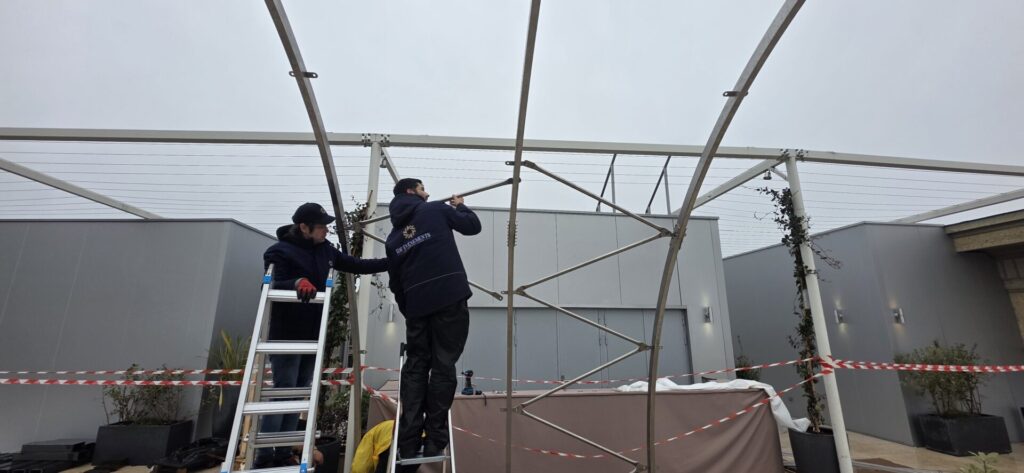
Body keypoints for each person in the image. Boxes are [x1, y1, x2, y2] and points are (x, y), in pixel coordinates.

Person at [257, 202, 389, 468]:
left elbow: (355, 264)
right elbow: (270, 284)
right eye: (321, 227)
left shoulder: (325, 250)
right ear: (304, 227)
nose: (326, 231)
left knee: (298, 393)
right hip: (287, 334)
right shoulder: (279, 251)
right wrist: (297, 282)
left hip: (313, 334)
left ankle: (283, 452)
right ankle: (264, 456)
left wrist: (392, 261)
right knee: (284, 391)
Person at [385, 178, 482, 460]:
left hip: (417, 306)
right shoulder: (436, 210)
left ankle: (408, 442)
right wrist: (461, 207)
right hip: (449, 297)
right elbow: (472, 227)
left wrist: (411, 309)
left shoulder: (393, 239)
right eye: (422, 188)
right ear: (411, 191)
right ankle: (434, 439)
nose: (427, 193)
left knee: (416, 367)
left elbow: (395, 284)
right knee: (443, 364)